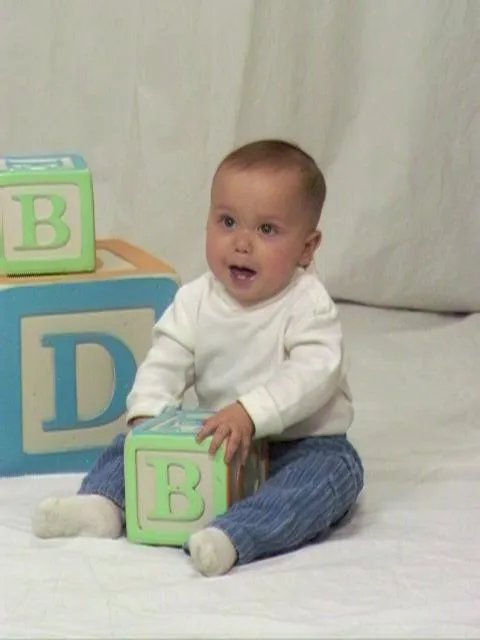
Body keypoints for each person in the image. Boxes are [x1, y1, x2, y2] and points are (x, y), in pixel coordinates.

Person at [32, 139, 364, 577]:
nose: (242, 243)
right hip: (219, 439)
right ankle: (104, 503)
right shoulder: (195, 299)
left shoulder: (307, 303)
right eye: (228, 221)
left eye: (267, 230)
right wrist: (149, 413)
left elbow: (315, 372)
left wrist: (251, 412)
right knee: (127, 446)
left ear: (307, 247)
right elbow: (166, 357)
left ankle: (234, 535)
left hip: (300, 444)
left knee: (331, 479)